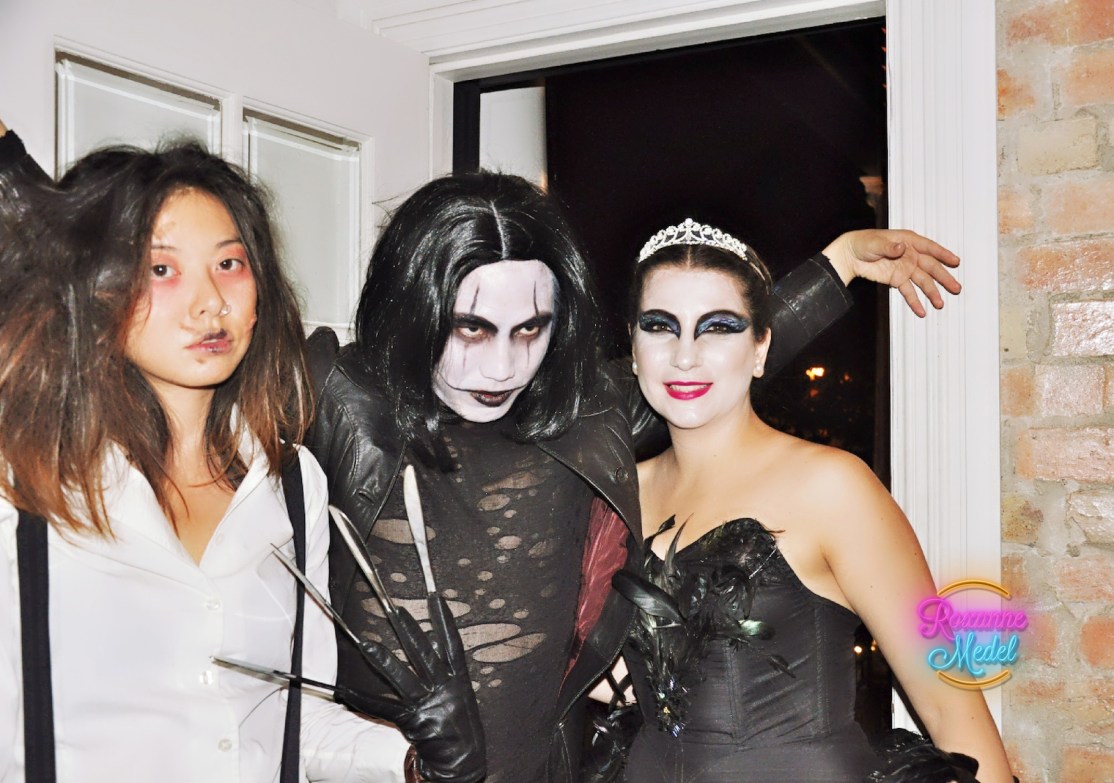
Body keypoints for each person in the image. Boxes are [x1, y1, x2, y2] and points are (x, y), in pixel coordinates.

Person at [305, 172, 964, 783]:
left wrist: (840, 262)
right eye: (470, 328)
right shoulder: (334, 399)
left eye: (529, 329)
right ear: (415, 304)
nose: (502, 367)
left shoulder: (582, 416)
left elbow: (707, 356)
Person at [0, 141, 482, 782]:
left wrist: (416, 762)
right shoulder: (25, 483)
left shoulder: (293, 484)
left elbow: (290, 720)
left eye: (229, 263)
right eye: (161, 269)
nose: (210, 302)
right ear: (96, 290)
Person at [614, 219, 1014, 782]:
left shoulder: (831, 487)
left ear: (761, 347)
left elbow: (953, 710)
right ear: (633, 348)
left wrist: (842, 259)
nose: (685, 356)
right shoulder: (615, 495)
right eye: (661, 326)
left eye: (718, 327)